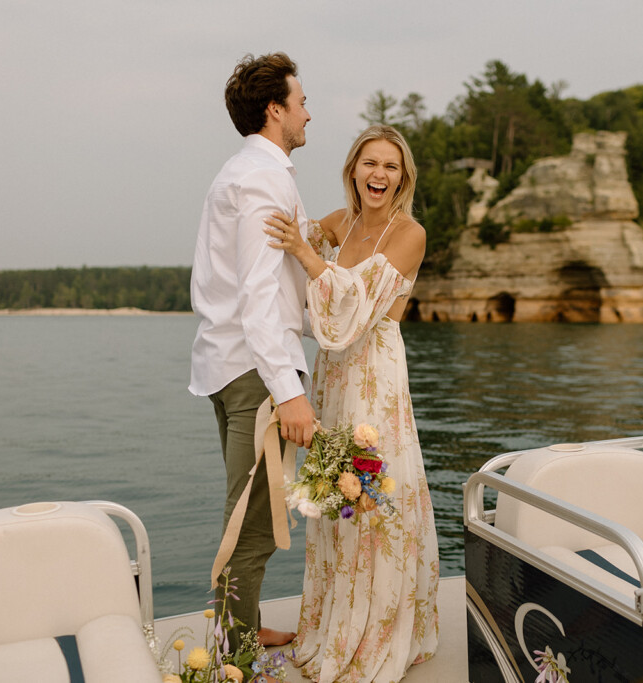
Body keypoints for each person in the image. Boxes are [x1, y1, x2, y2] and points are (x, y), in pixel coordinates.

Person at [263, 125, 440, 683]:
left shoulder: (410, 233)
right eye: (369, 163)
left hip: (376, 373)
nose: (379, 175)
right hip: (334, 375)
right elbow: (289, 249)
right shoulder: (339, 224)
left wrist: (305, 255)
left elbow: (357, 302)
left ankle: (380, 630)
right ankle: (333, 621)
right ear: (354, 170)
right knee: (335, 493)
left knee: (375, 492)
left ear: (402, 176)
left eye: (390, 166)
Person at [188, 52, 316, 654]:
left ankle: (240, 625)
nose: (308, 115)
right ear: (275, 110)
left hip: (226, 363)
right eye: (302, 102)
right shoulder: (264, 178)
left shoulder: (240, 171)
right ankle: (233, 651)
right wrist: (289, 390)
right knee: (254, 519)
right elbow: (259, 291)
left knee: (249, 508)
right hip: (255, 373)